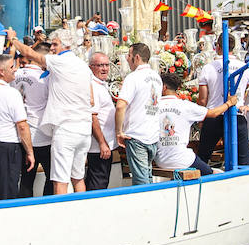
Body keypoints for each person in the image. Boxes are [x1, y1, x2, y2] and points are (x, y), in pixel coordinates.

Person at [6, 27, 94, 195]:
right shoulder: (84, 67)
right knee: (78, 178)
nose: (52, 48)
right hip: (84, 128)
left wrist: (13, 39)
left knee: (60, 181)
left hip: (66, 129)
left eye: (55, 44)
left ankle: (60, 217)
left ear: (66, 45)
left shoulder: (59, 61)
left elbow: (29, 54)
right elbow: (91, 100)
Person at [156, 71, 236, 177]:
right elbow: (213, 113)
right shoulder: (185, 106)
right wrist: (229, 103)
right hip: (183, 160)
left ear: (164, 87)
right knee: (214, 173)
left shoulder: (153, 107)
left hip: (160, 160)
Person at [0, 54, 33, 201]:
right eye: (12, 67)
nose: (15, 69)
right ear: (2, 71)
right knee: (8, 194)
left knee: (2, 190)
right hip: (8, 146)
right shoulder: (11, 93)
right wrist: (30, 152)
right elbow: (22, 125)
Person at [115, 43, 163, 185]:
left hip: (137, 135)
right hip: (152, 135)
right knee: (147, 177)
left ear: (136, 57)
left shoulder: (133, 77)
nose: (127, 59)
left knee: (141, 181)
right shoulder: (157, 77)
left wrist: (119, 131)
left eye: (128, 56)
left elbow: (120, 106)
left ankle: (145, 206)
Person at [195, 50, 249, 167]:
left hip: (214, 114)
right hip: (237, 114)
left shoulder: (208, 67)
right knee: (243, 158)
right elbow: (246, 90)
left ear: (218, 47)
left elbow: (203, 98)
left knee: (203, 156)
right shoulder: (244, 67)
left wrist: (200, 118)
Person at [12, 46, 51, 196]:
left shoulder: (14, 74)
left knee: (26, 179)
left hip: (22, 135)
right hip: (43, 135)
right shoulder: (45, 78)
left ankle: (24, 209)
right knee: (52, 177)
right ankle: (46, 206)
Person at [85, 52, 117, 190]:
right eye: (100, 65)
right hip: (98, 147)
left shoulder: (101, 84)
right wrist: (102, 144)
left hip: (105, 145)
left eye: (106, 65)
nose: (104, 69)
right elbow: (92, 117)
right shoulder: (93, 86)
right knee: (97, 183)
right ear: (91, 67)